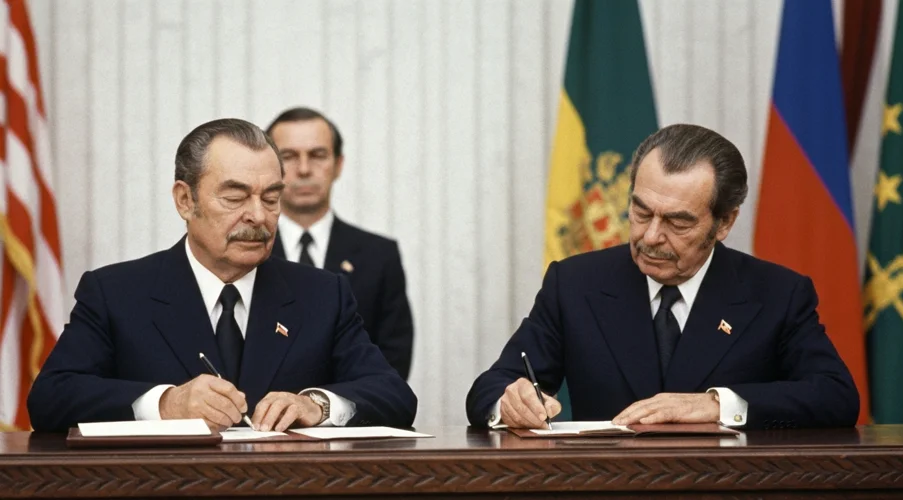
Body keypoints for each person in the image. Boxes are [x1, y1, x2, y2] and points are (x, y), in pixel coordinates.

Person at [28, 118, 417, 432]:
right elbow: (51, 398)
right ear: (185, 200)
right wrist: (165, 403)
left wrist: (315, 404)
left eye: (270, 198)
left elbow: (394, 395)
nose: (258, 216)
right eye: (234, 197)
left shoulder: (322, 294)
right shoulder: (116, 292)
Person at [466, 124, 859, 430]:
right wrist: (509, 402)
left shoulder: (777, 294)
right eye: (641, 212)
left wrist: (716, 405)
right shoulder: (575, 283)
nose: (651, 237)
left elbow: (836, 395)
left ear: (724, 223)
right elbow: (492, 385)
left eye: (677, 222)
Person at [266, 107, 414, 380]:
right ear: (267, 168)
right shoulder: (245, 252)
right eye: (288, 156)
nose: (304, 169)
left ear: (338, 164)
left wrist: (327, 408)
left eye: (318, 155)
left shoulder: (379, 256)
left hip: (351, 420)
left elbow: (391, 369)